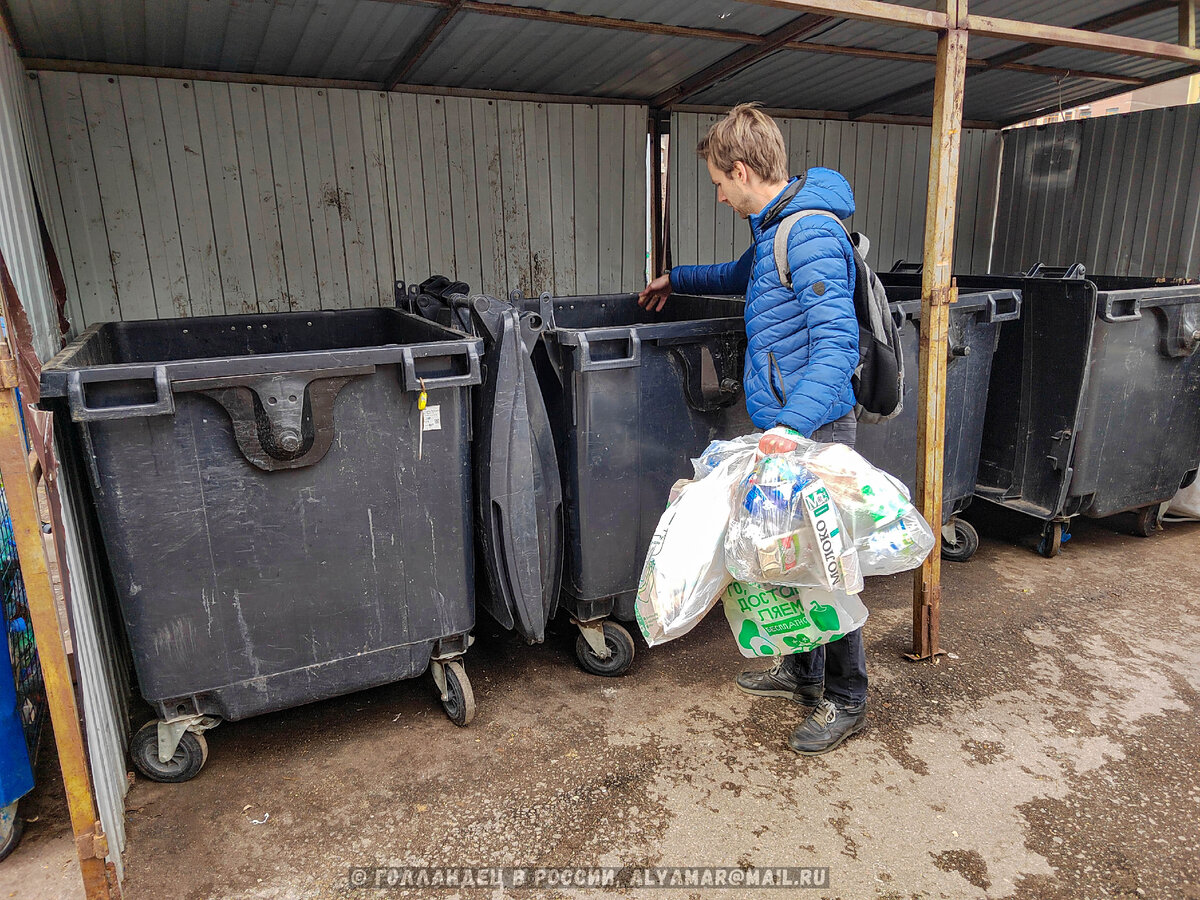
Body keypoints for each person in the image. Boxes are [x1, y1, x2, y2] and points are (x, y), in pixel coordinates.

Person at [638, 103, 866, 756]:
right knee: (785, 554)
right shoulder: (772, 230)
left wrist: (792, 427)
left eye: (717, 182)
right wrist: (674, 280)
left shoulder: (810, 233)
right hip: (785, 427)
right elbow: (740, 279)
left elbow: (836, 350)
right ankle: (802, 672)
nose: (717, 194)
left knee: (826, 565)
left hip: (815, 427)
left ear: (742, 170)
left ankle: (847, 698)